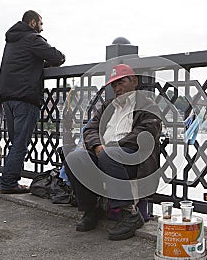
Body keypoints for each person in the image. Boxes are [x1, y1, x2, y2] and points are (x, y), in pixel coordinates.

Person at [65, 64, 162, 241]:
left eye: (121, 83)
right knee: (74, 158)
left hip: (133, 159)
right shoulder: (108, 106)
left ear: (134, 81)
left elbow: (146, 133)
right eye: (114, 85)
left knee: (109, 155)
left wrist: (112, 146)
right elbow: (90, 129)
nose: (117, 88)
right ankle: (91, 209)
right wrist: (97, 146)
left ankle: (129, 213)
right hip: (104, 154)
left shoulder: (148, 105)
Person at [0, 10, 65, 194]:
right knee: (20, 143)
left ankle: (7, 178)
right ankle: (9, 182)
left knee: (15, 142)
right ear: (33, 22)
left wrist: (37, 64)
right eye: (41, 24)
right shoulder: (32, 38)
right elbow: (57, 57)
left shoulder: (12, 41)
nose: (42, 29)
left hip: (8, 99)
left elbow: (23, 63)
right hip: (25, 98)